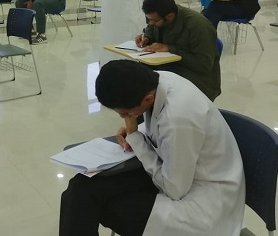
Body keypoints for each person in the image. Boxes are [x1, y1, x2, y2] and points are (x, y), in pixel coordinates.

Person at [59, 60, 245, 236]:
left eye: (126, 113)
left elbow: (175, 190)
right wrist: (137, 129)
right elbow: (159, 126)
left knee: (104, 207)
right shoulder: (156, 80)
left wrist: (135, 136)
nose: (124, 118)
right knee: (80, 188)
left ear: (148, 98)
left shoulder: (178, 119)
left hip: (204, 201)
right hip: (178, 172)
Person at [135, 0, 221, 101]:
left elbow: (203, 65)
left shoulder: (198, 27)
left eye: (154, 21)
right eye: (148, 20)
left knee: (149, 93)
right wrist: (147, 37)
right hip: (169, 67)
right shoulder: (161, 16)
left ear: (169, 16)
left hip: (196, 77)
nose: (151, 23)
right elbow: (151, 28)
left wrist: (170, 49)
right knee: (137, 78)